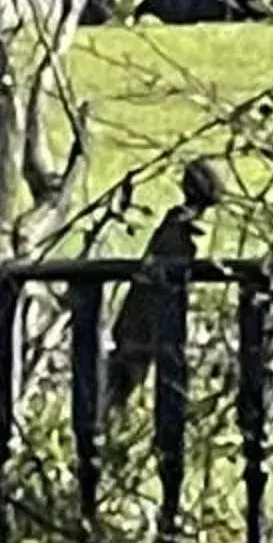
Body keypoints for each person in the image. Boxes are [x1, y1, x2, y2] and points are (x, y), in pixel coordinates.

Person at [105, 158, 226, 414]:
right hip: (153, 307)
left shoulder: (180, 225)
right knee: (133, 369)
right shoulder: (185, 225)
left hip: (148, 308)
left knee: (130, 368)